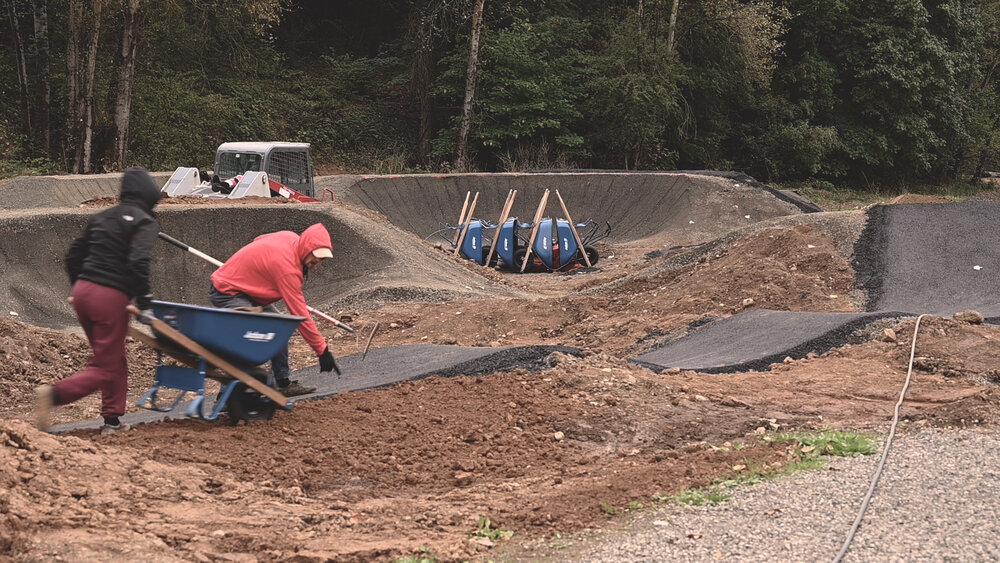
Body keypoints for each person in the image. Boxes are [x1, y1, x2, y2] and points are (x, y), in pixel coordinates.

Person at [35, 167, 162, 434]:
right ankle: (54, 395)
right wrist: (146, 305)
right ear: (150, 194)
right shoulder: (144, 222)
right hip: (110, 296)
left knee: (113, 359)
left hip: (84, 292)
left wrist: (78, 287)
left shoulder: (102, 216)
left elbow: (72, 256)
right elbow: (138, 262)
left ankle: (112, 420)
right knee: (106, 366)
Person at [209, 223, 339, 396]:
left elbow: (259, 240)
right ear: (306, 247)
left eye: (322, 258)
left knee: (280, 327)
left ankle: (283, 383)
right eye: (315, 256)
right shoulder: (288, 269)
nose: (318, 261)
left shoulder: (291, 237)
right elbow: (300, 314)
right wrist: (322, 351)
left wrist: (259, 273)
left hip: (249, 292)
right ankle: (226, 395)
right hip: (228, 291)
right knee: (249, 337)